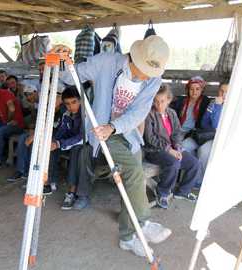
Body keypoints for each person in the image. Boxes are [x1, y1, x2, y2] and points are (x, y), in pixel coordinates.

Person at [49, 35, 171, 258]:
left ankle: (127, 238)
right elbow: (70, 76)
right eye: (143, 68)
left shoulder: (153, 79)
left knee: (133, 183)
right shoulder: (106, 62)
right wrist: (63, 60)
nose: (146, 75)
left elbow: (139, 112)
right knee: (134, 172)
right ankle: (143, 222)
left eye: (151, 71)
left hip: (127, 131)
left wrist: (114, 127)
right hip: (101, 130)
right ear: (133, 58)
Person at [143, 84, 200, 208]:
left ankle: (183, 190)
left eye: (163, 101)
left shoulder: (172, 113)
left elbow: (176, 133)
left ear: (169, 100)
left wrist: (178, 148)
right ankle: (162, 192)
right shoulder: (150, 114)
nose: (160, 105)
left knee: (194, 163)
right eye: (156, 102)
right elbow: (150, 138)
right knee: (174, 162)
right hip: (154, 150)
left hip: (172, 149)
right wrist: (170, 150)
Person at [7, 87, 65, 189]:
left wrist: (37, 135)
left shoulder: (64, 111)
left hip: (57, 140)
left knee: (35, 143)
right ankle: (22, 170)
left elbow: (60, 132)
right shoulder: (48, 109)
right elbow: (42, 124)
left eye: (57, 97)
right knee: (24, 137)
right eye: (50, 97)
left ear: (61, 100)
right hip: (46, 136)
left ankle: (37, 177)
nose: (53, 100)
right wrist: (35, 132)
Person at [49, 86, 83, 199]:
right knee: (50, 148)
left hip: (86, 147)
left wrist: (59, 144)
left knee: (75, 150)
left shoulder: (87, 113)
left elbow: (83, 138)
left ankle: (72, 191)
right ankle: (49, 183)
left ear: (80, 100)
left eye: (74, 102)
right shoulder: (67, 113)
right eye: (67, 104)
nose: (71, 106)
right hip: (70, 143)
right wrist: (53, 141)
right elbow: (62, 131)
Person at [195, 78, 230, 189]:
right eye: (221, 90)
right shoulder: (213, 102)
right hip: (213, 137)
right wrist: (214, 129)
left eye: (226, 91)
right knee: (203, 151)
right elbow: (204, 123)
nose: (223, 94)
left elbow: (215, 124)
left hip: (228, 139)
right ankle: (201, 181)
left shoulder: (232, 105)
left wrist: (219, 106)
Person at [171, 76, 210, 152]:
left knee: (181, 146)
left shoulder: (205, 102)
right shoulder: (181, 101)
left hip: (192, 132)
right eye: (191, 89)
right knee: (171, 142)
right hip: (179, 130)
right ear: (188, 89)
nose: (194, 92)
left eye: (197, 89)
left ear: (202, 89)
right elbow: (173, 115)